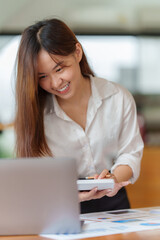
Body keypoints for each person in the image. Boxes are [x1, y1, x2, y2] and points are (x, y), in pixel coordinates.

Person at [15, 18, 144, 214]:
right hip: (60, 205)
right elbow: (37, 176)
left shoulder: (117, 97)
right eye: (42, 76)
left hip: (113, 200)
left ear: (77, 52)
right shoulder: (36, 114)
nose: (56, 82)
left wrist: (113, 180)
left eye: (60, 68)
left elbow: (130, 152)